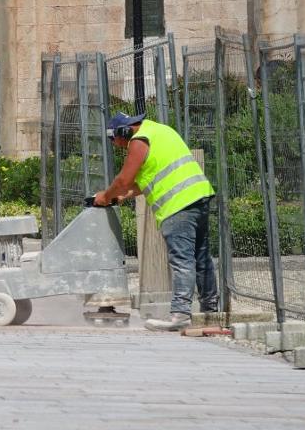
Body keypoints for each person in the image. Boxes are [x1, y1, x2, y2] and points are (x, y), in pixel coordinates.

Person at [93, 112, 220, 331]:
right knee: (201, 257)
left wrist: (105, 196)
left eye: (115, 141)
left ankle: (180, 314)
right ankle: (211, 311)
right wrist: (124, 195)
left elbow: (124, 179)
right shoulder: (161, 131)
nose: (118, 146)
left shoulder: (138, 141)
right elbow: (151, 178)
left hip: (177, 205)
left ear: (123, 131)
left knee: (182, 260)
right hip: (199, 196)